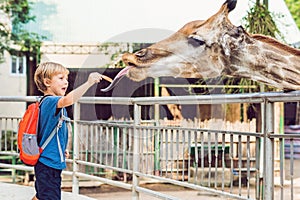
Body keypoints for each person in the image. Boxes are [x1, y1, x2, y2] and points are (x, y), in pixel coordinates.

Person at [32, 61, 103, 200]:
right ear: (47, 82)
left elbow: (49, 131)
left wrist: (61, 148)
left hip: (48, 161)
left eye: (66, 79)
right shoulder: (51, 101)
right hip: (48, 164)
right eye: (61, 78)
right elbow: (68, 100)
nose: (66, 82)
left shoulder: (51, 103)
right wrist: (88, 83)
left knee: (42, 195)